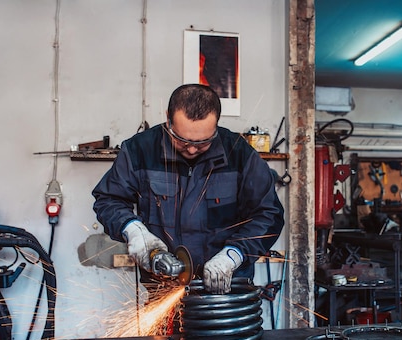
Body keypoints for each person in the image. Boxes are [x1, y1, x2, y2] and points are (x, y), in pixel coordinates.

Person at [92, 84, 284, 294]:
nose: (192, 149)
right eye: (182, 140)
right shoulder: (140, 151)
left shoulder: (239, 154)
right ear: (168, 119)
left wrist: (234, 254)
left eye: (203, 142)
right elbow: (109, 200)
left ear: (216, 125)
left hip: (228, 289)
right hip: (164, 285)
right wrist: (134, 231)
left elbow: (269, 214)